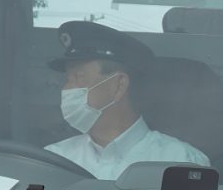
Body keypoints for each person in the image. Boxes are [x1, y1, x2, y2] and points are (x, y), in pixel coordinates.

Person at [44, 21, 207, 181]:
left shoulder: (181, 163)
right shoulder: (53, 159)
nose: (67, 89)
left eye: (79, 77)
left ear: (119, 85)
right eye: (67, 79)